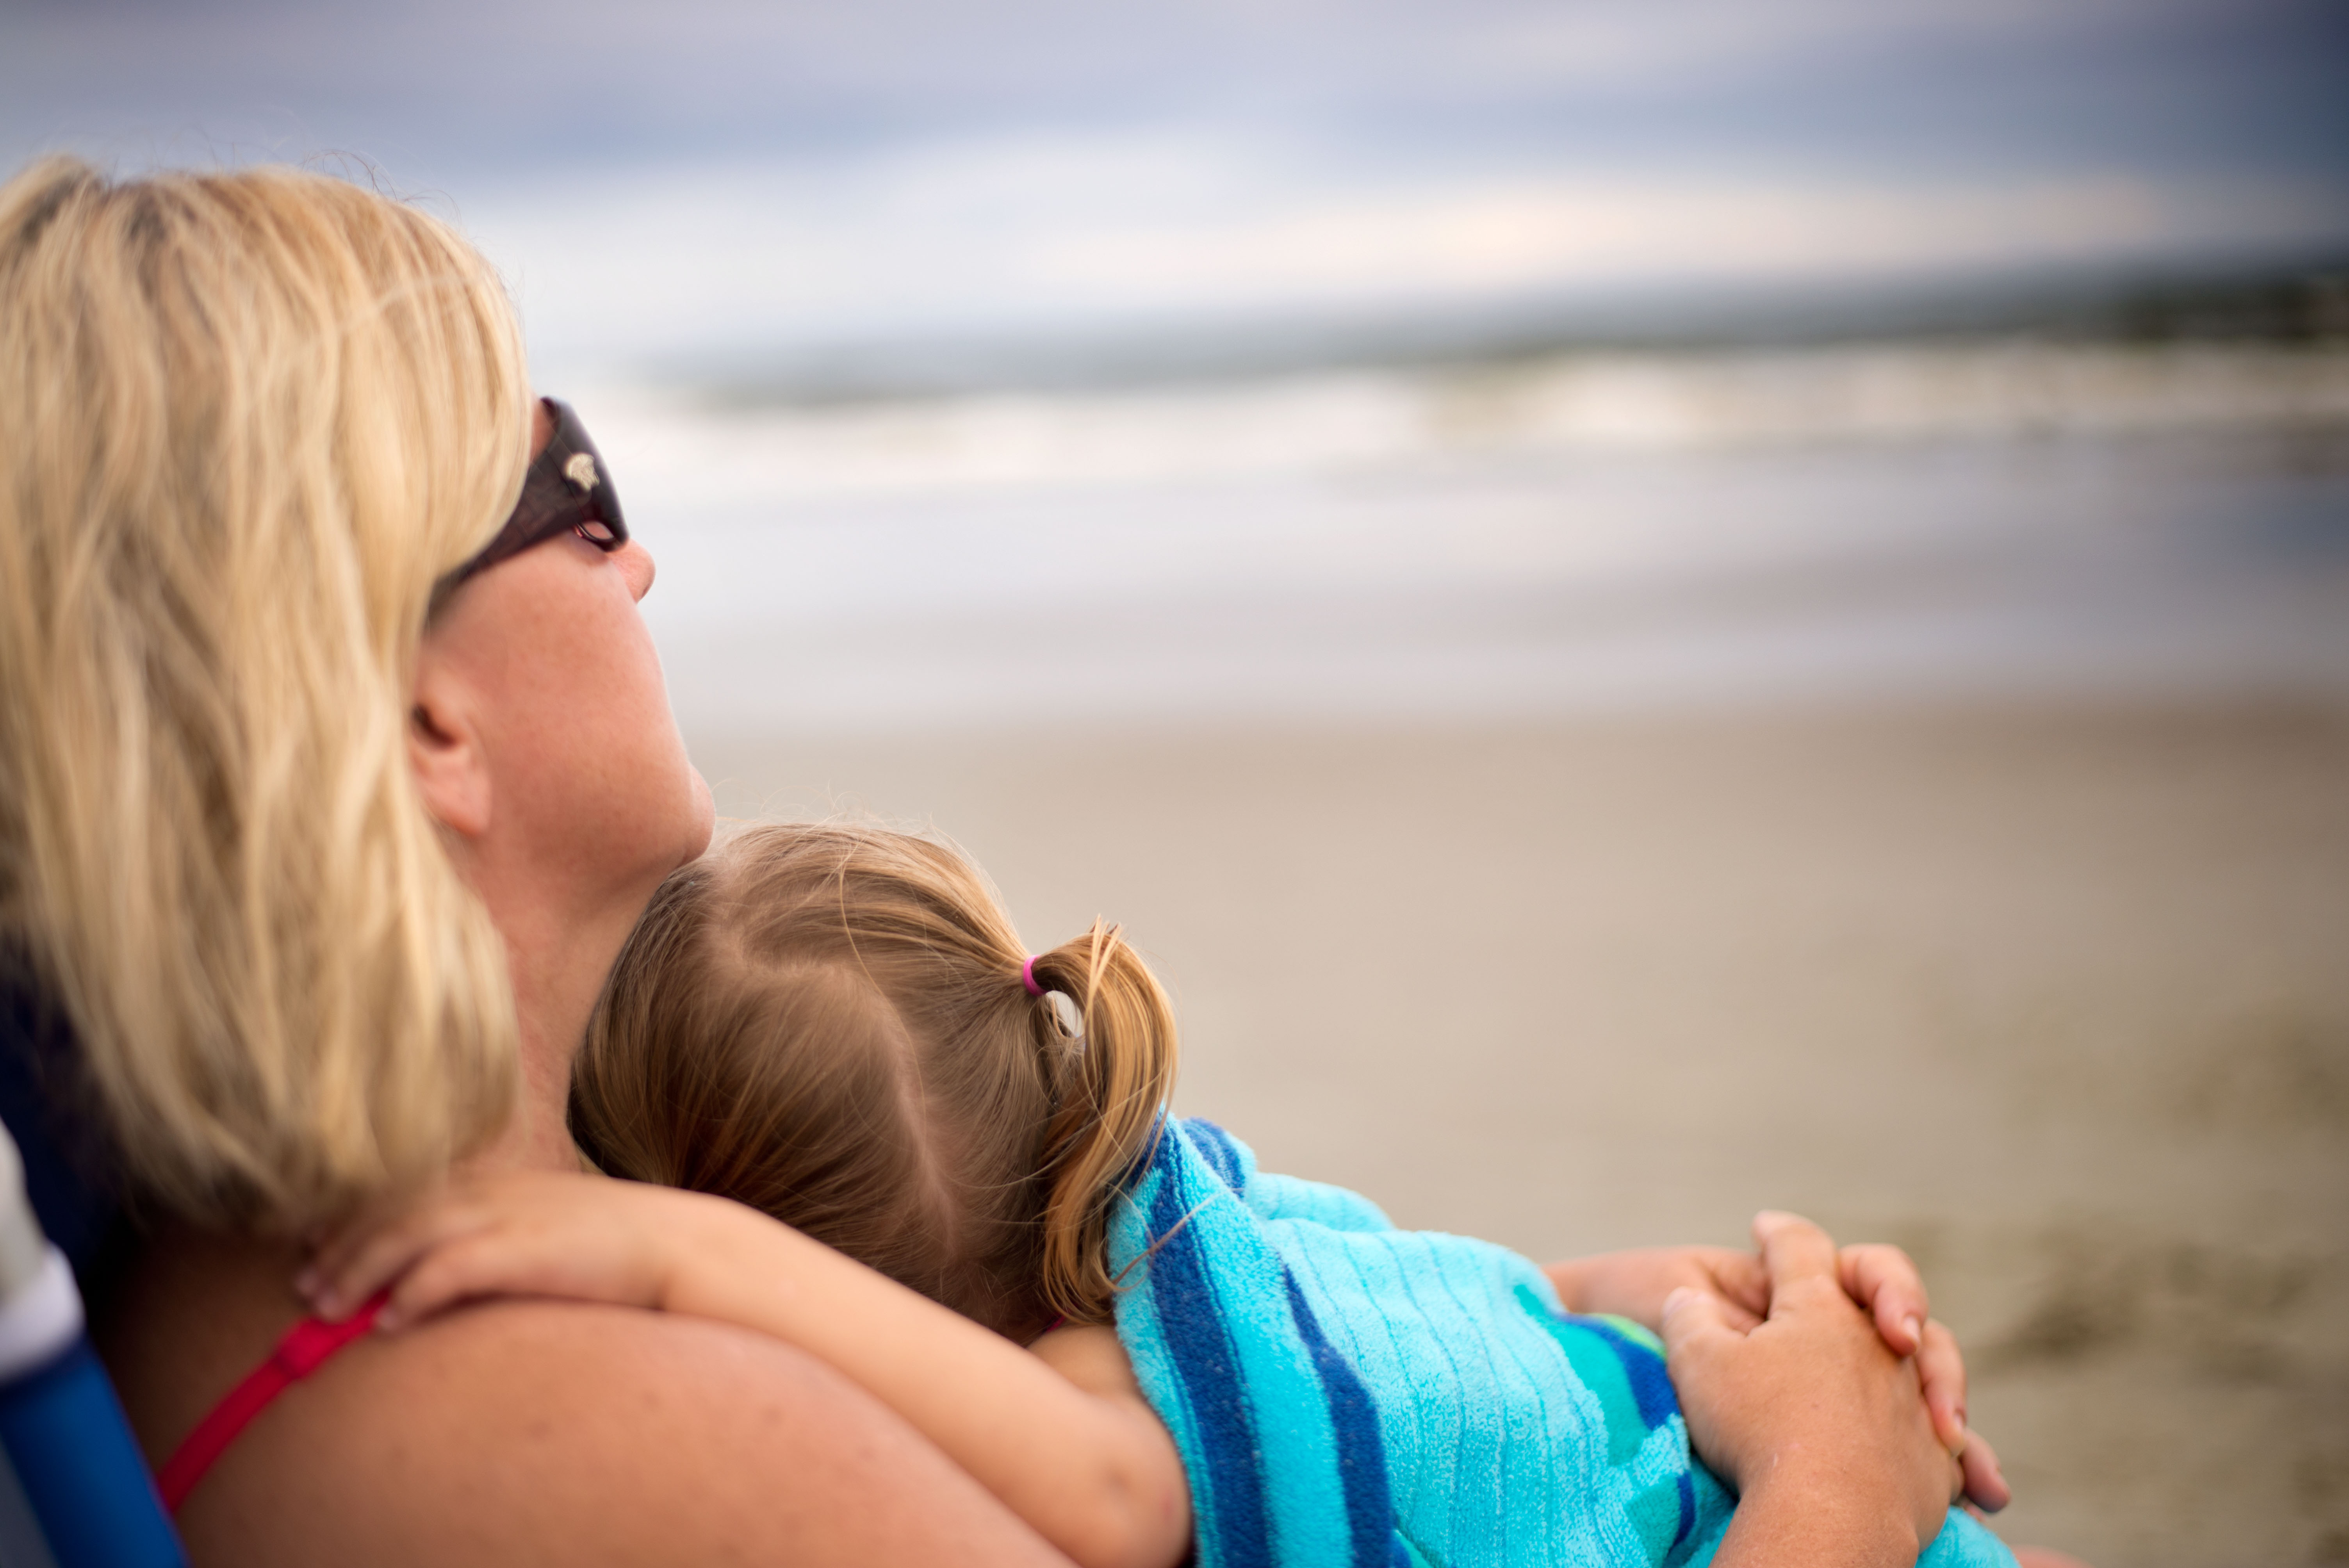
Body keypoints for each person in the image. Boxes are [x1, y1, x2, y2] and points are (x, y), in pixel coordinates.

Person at [0, 156, 1990, 1566]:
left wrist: (1682, 1318)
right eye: (572, 484)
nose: (642, 557)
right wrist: (1831, 1475)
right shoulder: (605, 1437)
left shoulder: (487, 1242)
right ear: (420, 713)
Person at [302, 820, 2017, 1568]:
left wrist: (667, 1253)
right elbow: (1519, 1291)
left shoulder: (1122, 1394)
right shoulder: (1196, 1233)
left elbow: (1130, 1502)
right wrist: (1757, 1352)